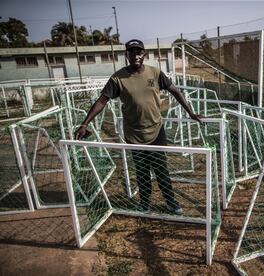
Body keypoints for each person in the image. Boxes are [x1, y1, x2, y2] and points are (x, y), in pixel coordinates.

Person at [75, 39, 202, 215]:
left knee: (161, 169)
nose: (136, 55)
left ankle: (171, 202)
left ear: (144, 55)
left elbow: (175, 91)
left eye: (139, 52)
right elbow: (102, 100)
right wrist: (84, 123)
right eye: (132, 52)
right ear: (127, 55)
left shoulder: (155, 73)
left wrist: (191, 113)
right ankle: (144, 204)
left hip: (156, 131)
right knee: (142, 172)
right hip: (134, 134)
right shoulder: (118, 78)